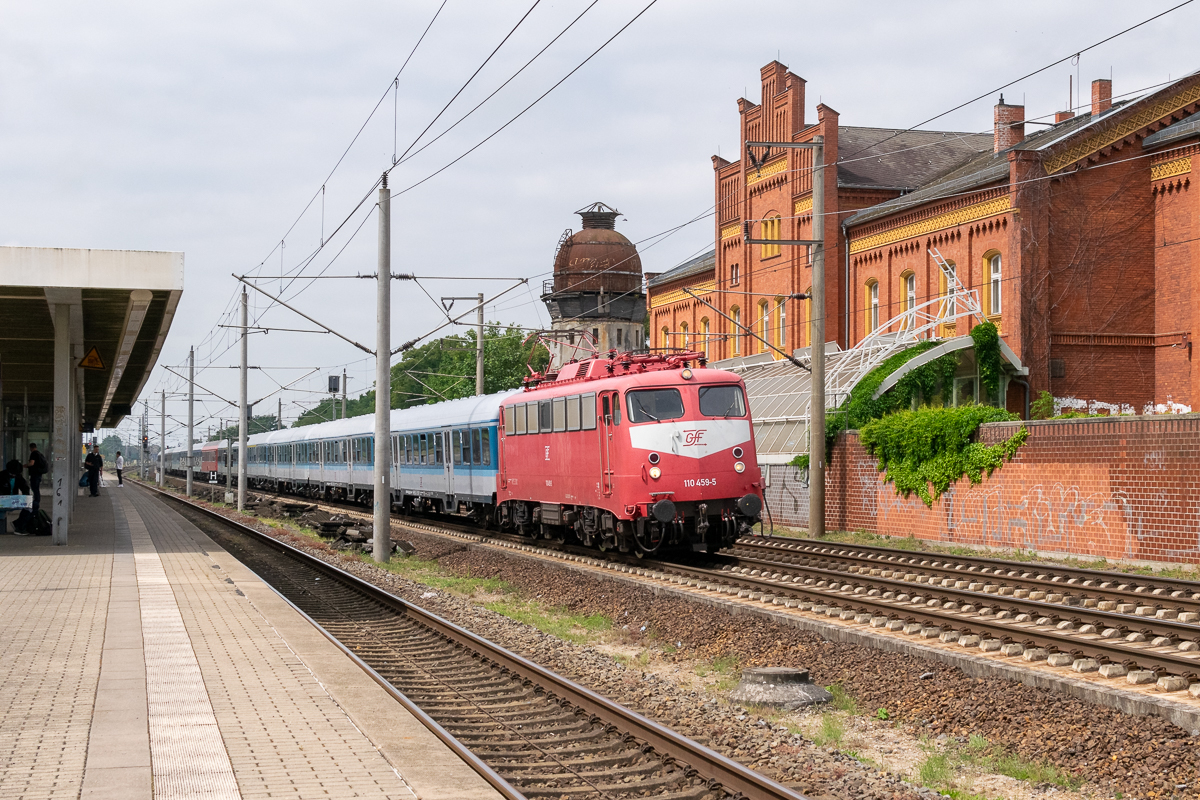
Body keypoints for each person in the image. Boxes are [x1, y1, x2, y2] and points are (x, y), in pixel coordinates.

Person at [1, 459, 33, 534]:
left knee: (30, 507)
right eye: (12, 474)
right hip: (3, 500)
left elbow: (24, 487)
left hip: (13, 499)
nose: (13, 475)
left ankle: (19, 525)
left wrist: (26, 497)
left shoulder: (18, 477)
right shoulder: (2, 476)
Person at [25, 442, 47, 512]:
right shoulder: (39, 453)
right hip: (38, 474)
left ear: (31, 448)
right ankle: (36, 502)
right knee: (36, 488)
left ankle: (36, 503)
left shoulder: (33, 454)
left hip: (35, 474)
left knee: (35, 488)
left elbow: (31, 463)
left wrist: (26, 465)